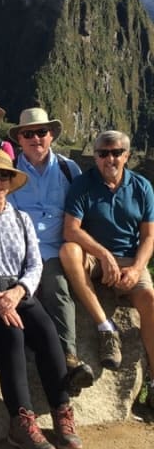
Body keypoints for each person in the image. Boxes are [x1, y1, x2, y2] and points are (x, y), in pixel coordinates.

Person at [0, 149, 82, 449]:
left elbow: (35, 265)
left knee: (47, 331)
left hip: (17, 293)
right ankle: (21, 421)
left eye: (3, 175)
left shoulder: (22, 219)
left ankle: (61, 409)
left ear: (11, 182)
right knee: (13, 335)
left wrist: (17, 292)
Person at [60, 131, 154, 406]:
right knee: (68, 251)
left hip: (129, 259)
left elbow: (149, 236)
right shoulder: (82, 184)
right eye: (102, 153)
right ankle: (105, 328)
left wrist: (137, 268)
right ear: (95, 156)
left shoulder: (142, 187)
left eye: (116, 152)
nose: (109, 158)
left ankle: (152, 380)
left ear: (126, 155)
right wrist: (102, 254)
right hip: (95, 257)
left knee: (150, 300)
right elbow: (70, 230)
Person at [7, 108, 93, 395]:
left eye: (41, 132)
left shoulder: (70, 169)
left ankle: (69, 358)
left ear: (52, 135)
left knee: (56, 287)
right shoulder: (8, 172)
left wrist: (88, 249)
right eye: (28, 133)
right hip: (22, 251)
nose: (35, 138)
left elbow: (82, 213)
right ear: (19, 138)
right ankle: (64, 364)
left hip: (57, 248)